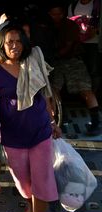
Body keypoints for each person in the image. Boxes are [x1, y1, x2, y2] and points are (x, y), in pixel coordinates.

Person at [0, 24, 62, 212]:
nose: (14, 46)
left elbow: (47, 93)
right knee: (25, 184)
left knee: (41, 181)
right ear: (1, 45)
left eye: (18, 41)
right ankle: (33, 206)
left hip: (40, 131)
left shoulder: (33, 61)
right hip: (13, 137)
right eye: (9, 42)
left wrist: (53, 121)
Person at [48, 4, 101, 135]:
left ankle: (96, 122)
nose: (56, 17)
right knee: (54, 89)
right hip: (57, 62)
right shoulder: (48, 26)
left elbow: (68, 47)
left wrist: (52, 55)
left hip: (73, 60)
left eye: (59, 14)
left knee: (85, 89)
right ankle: (62, 116)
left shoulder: (69, 26)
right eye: (53, 14)